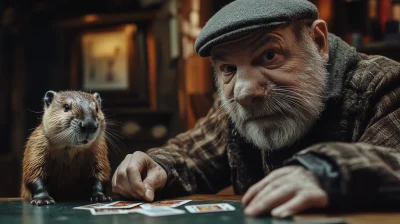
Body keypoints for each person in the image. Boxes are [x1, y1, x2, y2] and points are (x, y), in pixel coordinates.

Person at [112, 0, 400, 218]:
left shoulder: (383, 83)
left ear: (318, 42)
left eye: (269, 55)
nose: (244, 91)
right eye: (228, 68)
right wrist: (156, 166)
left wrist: (326, 171)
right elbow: (190, 153)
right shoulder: (233, 107)